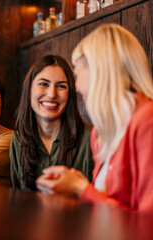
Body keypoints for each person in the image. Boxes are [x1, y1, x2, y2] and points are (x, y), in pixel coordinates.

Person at [36, 24, 153, 213]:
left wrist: (81, 189)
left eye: (77, 71)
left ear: (99, 70)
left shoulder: (147, 120)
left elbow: (147, 222)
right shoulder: (101, 133)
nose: (76, 86)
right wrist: (75, 183)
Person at [10, 55, 94, 191]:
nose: (52, 94)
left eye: (61, 86)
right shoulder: (18, 140)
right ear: (29, 90)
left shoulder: (90, 137)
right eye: (43, 84)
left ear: (70, 94)